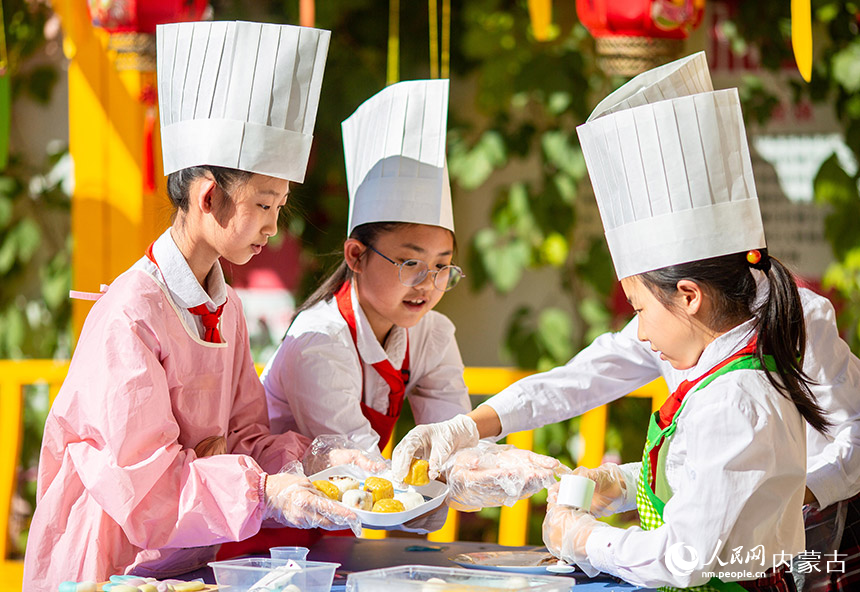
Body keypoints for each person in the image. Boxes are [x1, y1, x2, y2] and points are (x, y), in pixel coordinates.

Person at [393, 53, 860, 591]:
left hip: (806, 540)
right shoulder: (697, 334)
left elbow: (690, 548)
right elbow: (585, 375)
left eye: (638, 308)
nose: (638, 332)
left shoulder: (761, 361)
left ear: (688, 295)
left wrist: (792, 487)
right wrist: (472, 425)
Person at [23, 21, 364, 590]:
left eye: (279, 205)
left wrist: (315, 465)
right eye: (263, 203)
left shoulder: (223, 307)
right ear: (210, 197)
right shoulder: (130, 317)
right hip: (106, 567)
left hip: (178, 562)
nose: (273, 227)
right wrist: (260, 488)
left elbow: (244, 438)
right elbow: (148, 489)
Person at [261, 79, 472, 454]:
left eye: (442, 267)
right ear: (356, 255)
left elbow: (453, 446)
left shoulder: (431, 335)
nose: (428, 284)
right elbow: (361, 467)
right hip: (281, 511)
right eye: (411, 263)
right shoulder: (319, 344)